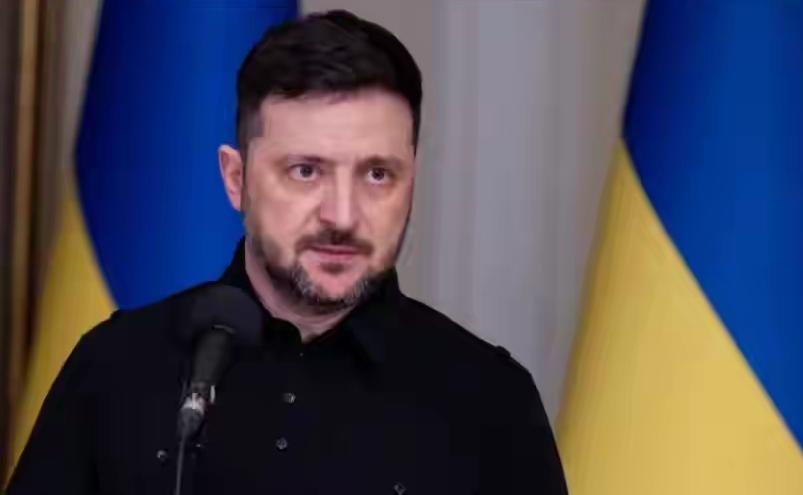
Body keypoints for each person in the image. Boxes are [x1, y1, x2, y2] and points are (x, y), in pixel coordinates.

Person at [8, 10, 567, 494]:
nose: (342, 216)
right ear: (236, 179)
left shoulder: (489, 401)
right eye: (306, 171)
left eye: (377, 174)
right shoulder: (117, 368)